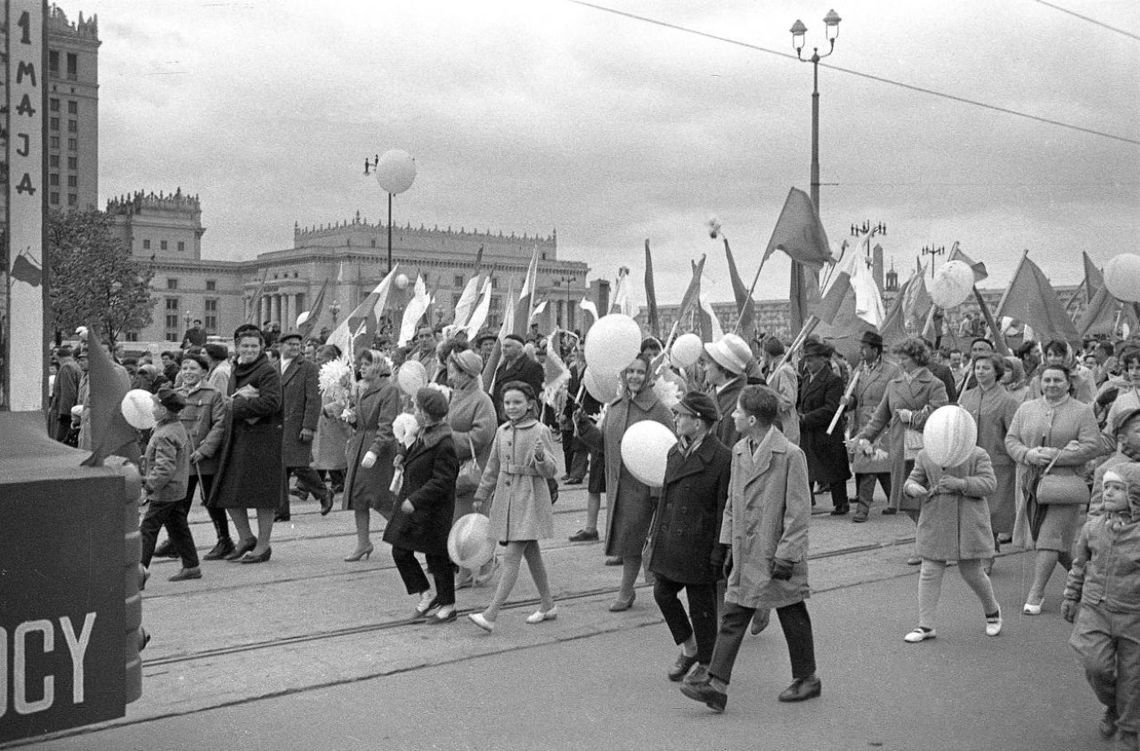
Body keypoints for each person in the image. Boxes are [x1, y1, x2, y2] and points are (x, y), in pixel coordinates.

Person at [680, 386, 819, 712]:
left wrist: (787, 554)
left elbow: (799, 513)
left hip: (776, 554)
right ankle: (716, 683)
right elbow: (732, 503)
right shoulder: (741, 450)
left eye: (738, 412)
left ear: (753, 418)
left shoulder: (789, 455)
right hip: (746, 552)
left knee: (792, 611)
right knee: (734, 614)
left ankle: (807, 678)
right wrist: (726, 544)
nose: (733, 416)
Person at [577, 354, 675, 608]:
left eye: (640, 372)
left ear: (648, 376)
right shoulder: (616, 406)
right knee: (629, 540)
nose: (634, 376)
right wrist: (583, 427)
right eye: (630, 371)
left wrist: (658, 490)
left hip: (644, 489)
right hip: (619, 487)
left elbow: (670, 451)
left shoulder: (658, 410)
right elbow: (605, 445)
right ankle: (640, 589)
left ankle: (626, 591)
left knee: (633, 540)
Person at [647, 391, 731, 686]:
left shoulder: (721, 458)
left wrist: (719, 551)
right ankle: (690, 647)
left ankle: (706, 663)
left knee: (702, 607)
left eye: (682, 415)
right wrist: (654, 539)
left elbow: (723, 509)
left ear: (698, 423)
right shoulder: (675, 451)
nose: (676, 419)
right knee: (662, 593)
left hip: (700, 542)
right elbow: (665, 500)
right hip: (671, 542)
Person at [1005, 363, 1101, 614]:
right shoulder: (1026, 408)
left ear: (1069, 383)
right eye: (1047, 380)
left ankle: (1036, 595)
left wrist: (1056, 456)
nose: (1051, 385)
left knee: (1048, 539)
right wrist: (1028, 454)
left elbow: (1092, 446)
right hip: (1031, 485)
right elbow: (1011, 440)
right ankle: (1090, 578)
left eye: (1057, 380)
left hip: (1065, 485)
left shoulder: (1082, 411)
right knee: (1050, 542)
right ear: (1040, 382)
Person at [468, 381, 558, 632]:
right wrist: (482, 493)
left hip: (529, 498)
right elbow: (492, 465)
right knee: (532, 554)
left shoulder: (540, 430)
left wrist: (540, 457)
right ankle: (548, 604)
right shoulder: (502, 431)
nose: (512, 407)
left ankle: (491, 613)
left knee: (511, 556)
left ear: (530, 404)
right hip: (506, 498)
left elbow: (551, 469)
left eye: (517, 402)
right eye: (508, 403)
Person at [851, 337, 949, 564]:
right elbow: (879, 418)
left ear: (917, 358)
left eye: (904, 358)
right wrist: (863, 437)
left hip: (926, 451)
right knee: (907, 500)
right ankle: (929, 541)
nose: (901, 362)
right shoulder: (894, 385)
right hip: (900, 449)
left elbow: (940, 414)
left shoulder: (934, 384)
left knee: (925, 498)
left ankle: (927, 545)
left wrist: (914, 417)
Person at [1063, 466, 1140, 749]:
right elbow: (1079, 565)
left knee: (1133, 677)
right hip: (1095, 609)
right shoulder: (1093, 527)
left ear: (1135, 495)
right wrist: (1071, 596)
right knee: (1095, 666)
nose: (1108, 492)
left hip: (1133, 615)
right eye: (1106, 487)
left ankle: (1129, 728)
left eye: (1118, 488)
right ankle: (1114, 703)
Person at [901, 430, 1002, 642]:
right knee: (929, 570)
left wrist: (963, 484)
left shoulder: (977, 454)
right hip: (935, 517)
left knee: (972, 571)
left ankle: (992, 611)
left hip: (968, 519)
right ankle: (926, 625)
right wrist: (914, 488)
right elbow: (911, 481)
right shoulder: (925, 455)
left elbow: (990, 484)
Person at [207, 324, 283, 564]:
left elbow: (272, 403)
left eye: (254, 346)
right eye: (245, 346)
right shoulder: (236, 368)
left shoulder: (267, 371)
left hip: (261, 440)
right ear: (237, 347)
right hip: (238, 438)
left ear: (261, 347)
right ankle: (246, 537)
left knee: (262, 497)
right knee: (228, 492)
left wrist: (236, 406)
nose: (249, 350)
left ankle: (263, 545)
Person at [384, 387, 460, 624]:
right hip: (415, 506)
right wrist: (402, 457)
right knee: (400, 550)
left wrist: (415, 500)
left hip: (430, 509)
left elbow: (443, 480)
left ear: (426, 414)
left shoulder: (444, 442)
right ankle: (426, 594)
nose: (414, 411)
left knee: (437, 556)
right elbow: (415, 454)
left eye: (417, 408)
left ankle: (447, 605)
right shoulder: (425, 432)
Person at [957, 353, 1021, 572]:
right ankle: (980, 550)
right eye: (977, 368)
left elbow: (1013, 434)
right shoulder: (966, 397)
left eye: (986, 368)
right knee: (973, 510)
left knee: (992, 512)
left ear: (996, 372)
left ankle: (988, 554)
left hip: (998, 463)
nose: (980, 372)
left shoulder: (1007, 400)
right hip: (969, 461)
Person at [166, 352, 232, 561]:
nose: (187, 373)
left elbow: (219, 424)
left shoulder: (213, 395)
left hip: (203, 458)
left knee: (210, 500)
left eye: (193, 368)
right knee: (180, 501)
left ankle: (224, 540)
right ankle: (176, 542)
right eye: (184, 368)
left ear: (204, 372)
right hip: (181, 457)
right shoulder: (175, 394)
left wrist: (205, 451)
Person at [444, 348, 498, 588]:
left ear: (467, 374)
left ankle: (487, 560)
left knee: (476, 518)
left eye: (455, 371)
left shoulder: (482, 400)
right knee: (459, 520)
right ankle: (464, 569)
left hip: (475, 469)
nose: (451, 375)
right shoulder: (455, 395)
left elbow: (481, 436)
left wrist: (449, 437)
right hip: (455, 466)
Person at [341, 349, 401, 561]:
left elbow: (387, 425)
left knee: (382, 499)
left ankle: (404, 535)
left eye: (366, 364)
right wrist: (351, 418)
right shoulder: (363, 389)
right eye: (361, 364)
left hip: (378, 450)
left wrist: (374, 451)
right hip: (361, 447)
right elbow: (362, 422)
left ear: (378, 366)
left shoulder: (389, 390)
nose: (361, 368)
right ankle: (363, 542)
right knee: (359, 497)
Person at [139, 388, 197, 582]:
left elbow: (164, 468)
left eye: (155, 405)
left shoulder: (164, 433)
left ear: (164, 410)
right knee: (178, 528)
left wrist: (148, 487)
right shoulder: (174, 427)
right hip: (176, 489)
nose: (152, 409)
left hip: (165, 491)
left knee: (148, 528)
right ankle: (191, 565)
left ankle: (138, 571)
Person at [276, 332, 333, 521]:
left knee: (297, 464)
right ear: (280, 346)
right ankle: (281, 510)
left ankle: (323, 493)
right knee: (282, 468)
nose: (294, 347)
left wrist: (309, 426)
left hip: (297, 424)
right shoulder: (274, 367)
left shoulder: (308, 367)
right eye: (290, 344)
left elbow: (314, 400)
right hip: (277, 425)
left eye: (297, 344)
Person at [847, 331, 900, 522]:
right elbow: (854, 397)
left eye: (864, 347)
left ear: (875, 350)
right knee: (878, 466)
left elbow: (897, 397)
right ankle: (896, 500)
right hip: (861, 422)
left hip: (881, 424)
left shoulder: (892, 370)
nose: (861, 351)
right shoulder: (859, 370)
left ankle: (863, 509)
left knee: (869, 466)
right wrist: (848, 401)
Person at [798, 340, 851, 515]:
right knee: (808, 469)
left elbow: (831, 408)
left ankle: (841, 503)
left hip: (827, 432)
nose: (807, 364)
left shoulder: (832, 380)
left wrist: (806, 418)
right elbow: (801, 402)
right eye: (806, 360)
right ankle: (805, 502)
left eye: (811, 360)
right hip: (809, 432)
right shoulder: (806, 379)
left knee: (834, 469)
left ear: (822, 359)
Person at [310, 345, 351, 497]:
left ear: (330, 359)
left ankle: (339, 482)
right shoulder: (322, 374)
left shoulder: (340, 375)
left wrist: (326, 410)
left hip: (335, 420)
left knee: (336, 454)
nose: (318, 362)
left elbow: (343, 400)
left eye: (321, 359)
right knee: (324, 454)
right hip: (324, 420)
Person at [702, 333, 753, 448]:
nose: (705, 368)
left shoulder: (745, 402)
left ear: (723, 368)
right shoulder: (711, 394)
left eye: (709, 363)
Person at [491, 334, 544, 422]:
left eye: (508, 346)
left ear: (519, 349)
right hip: (501, 418)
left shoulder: (532, 367)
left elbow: (536, 398)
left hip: (522, 420)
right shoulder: (501, 368)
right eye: (503, 346)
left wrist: (530, 420)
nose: (503, 349)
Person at [760, 337, 798, 445]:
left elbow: (788, 400)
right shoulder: (774, 370)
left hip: (784, 426)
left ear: (767, 354)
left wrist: (767, 397)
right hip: (776, 425)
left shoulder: (784, 370)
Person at [48, 344, 82, 442]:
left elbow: (68, 392)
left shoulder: (66, 368)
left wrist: (64, 414)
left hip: (63, 412)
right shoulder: (75, 365)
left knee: (60, 440)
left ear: (58, 357)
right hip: (72, 410)